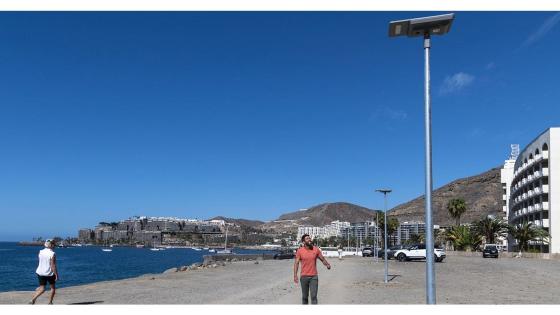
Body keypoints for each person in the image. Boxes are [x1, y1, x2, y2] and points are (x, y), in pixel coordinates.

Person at [293, 234, 331, 304]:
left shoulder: (316, 249)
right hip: (304, 277)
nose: (309, 239)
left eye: (309, 238)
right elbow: (296, 263)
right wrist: (295, 275)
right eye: (307, 239)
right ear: (303, 242)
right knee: (305, 297)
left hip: (314, 277)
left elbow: (322, 259)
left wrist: (327, 264)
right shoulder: (300, 251)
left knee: (314, 296)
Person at [30, 239, 59, 305]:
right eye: (54, 244)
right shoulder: (52, 253)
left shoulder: (40, 251)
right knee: (53, 288)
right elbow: (53, 265)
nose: (55, 245)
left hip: (40, 272)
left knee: (42, 288)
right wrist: (56, 275)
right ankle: (50, 302)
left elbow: (40, 261)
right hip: (49, 273)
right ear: (51, 245)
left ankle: (33, 299)